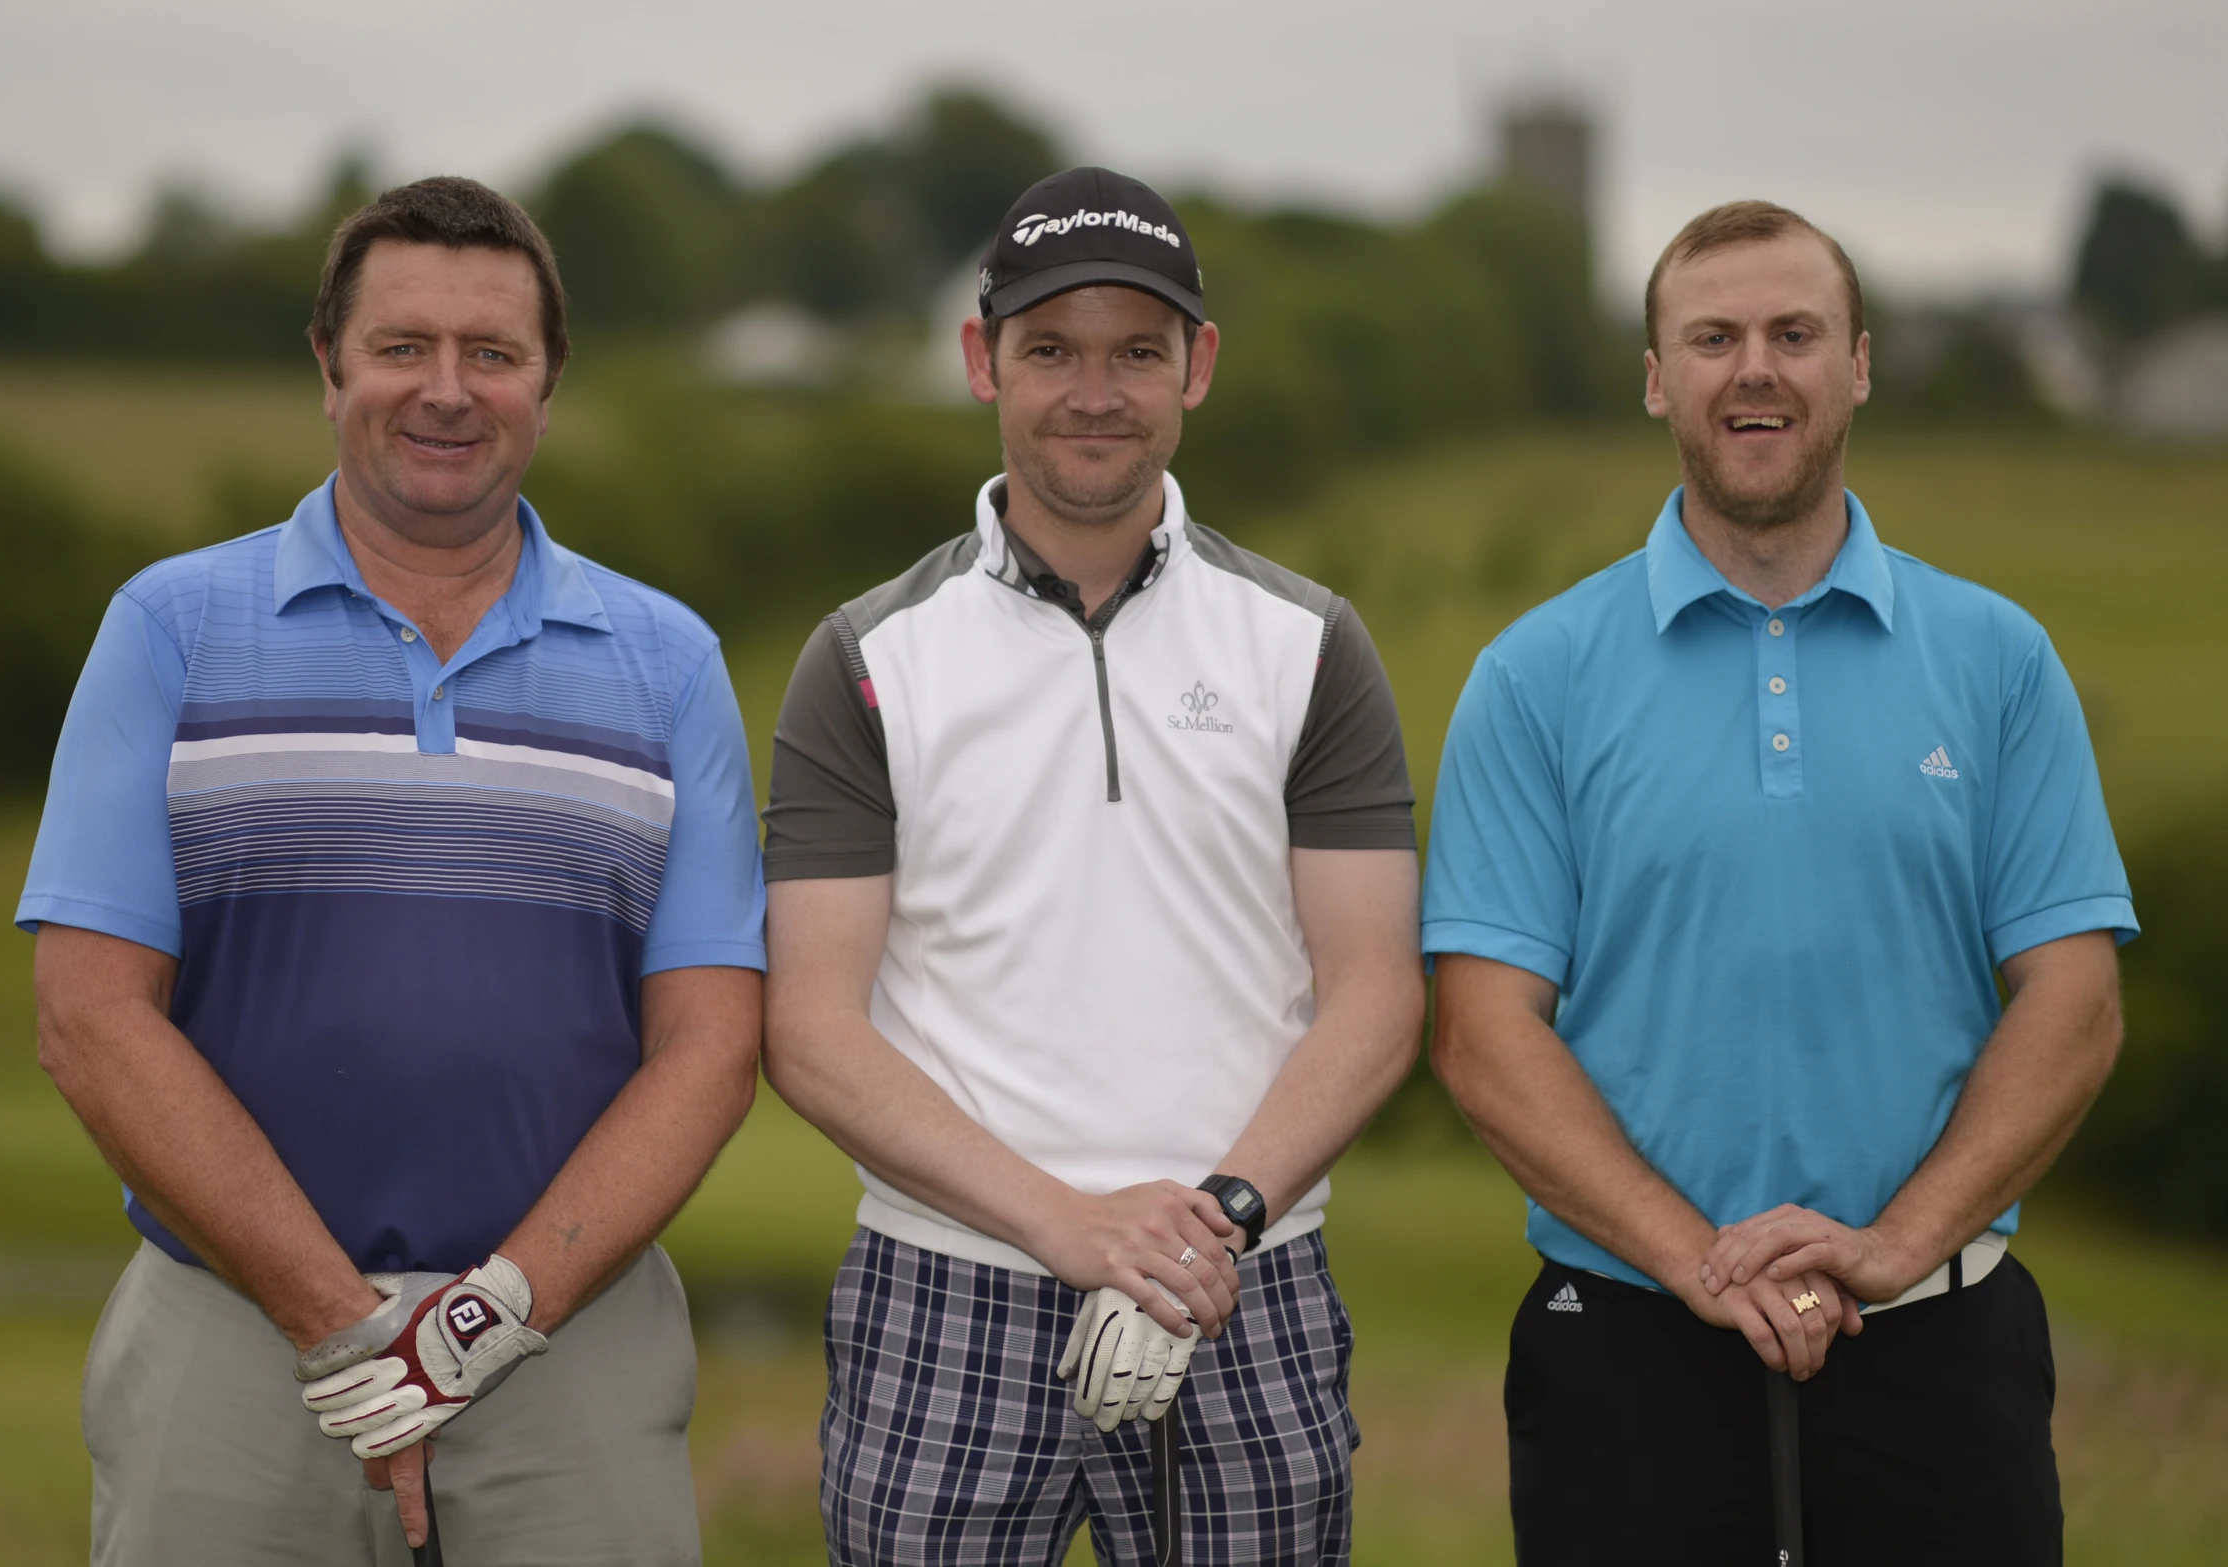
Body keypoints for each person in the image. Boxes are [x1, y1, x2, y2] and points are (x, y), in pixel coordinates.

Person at [16, 176, 767, 1566]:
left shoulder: (670, 662)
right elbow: (89, 1018)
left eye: (493, 353)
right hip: (230, 1336)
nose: (446, 390)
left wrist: (479, 1325)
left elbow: (711, 1046)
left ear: (547, 384)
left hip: (569, 1350)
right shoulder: (169, 629)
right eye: (402, 346)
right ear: (328, 364)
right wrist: (344, 1327)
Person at [1421, 198, 2136, 1565]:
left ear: (1857, 362)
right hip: (1623, 1342)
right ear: (1655, 378)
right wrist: (1698, 1257)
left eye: (1793, 333)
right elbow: (1480, 1029)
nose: (1754, 367)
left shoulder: (1996, 656)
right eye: (1712, 337)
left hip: (1937, 1334)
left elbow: (2074, 997)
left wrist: (1893, 1240)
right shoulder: (1533, 674)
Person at [761, 165, 1428, 1565]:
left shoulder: (1308, 643)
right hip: (948, 1290)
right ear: (977, 359)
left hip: (1239, 1285)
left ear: (1199, 366)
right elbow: (810, 1028)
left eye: (1137, 350)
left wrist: (1216, 1219)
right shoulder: (865, 657)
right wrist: (1068, 1225)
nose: (1094, 389)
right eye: (1050, 349)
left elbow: (1374, 991)